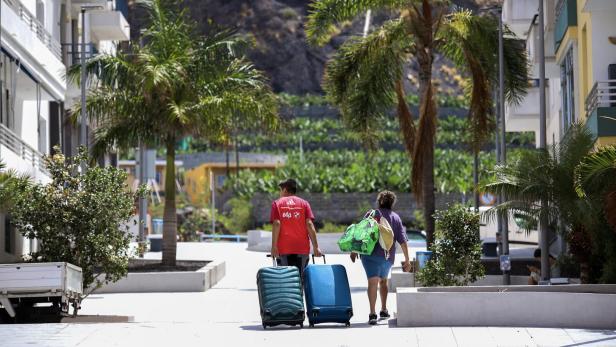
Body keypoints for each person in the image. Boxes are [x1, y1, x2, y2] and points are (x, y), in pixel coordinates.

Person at [350, 190, 411, 325]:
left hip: (370, 255)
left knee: (372, 282)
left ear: (379, 201)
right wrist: (407, 260)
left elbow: (360, 232)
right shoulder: (395, 218)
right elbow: (403, 241)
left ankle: (372, 313)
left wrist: (354, 250)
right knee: (383, 281)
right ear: (392, 203)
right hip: (387, 257)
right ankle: (383, 309)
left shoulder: (371, 214)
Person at [270, 178, 322, 278]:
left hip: (284, 249)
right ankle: (300, 293)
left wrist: (274, 246)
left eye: (280, 190)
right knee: (300, 278)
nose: (279, 193)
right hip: (302, 249)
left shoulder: (277, 204)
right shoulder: (304, 204)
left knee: (287, 281)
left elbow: (276, 223)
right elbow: (309, 225)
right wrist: (316, 247)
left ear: (284, 190)